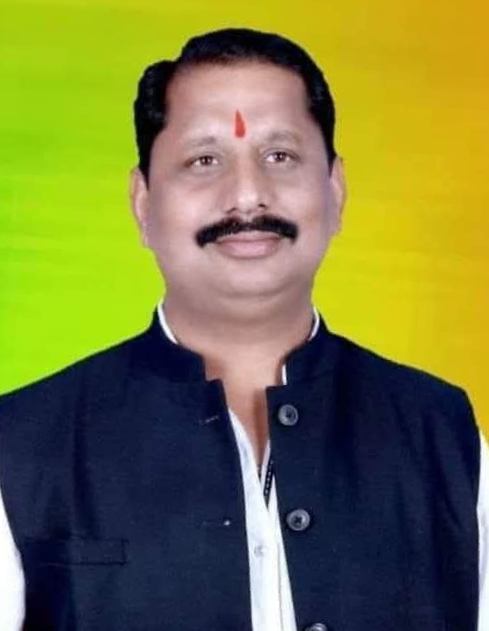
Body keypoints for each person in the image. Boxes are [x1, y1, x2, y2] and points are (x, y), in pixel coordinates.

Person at [0, 26, 487, 631]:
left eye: (280, 156)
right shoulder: (22, 445)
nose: (249, 195)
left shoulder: (444, 436)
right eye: (204, 160)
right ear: (143, 203)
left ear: (335, 191)